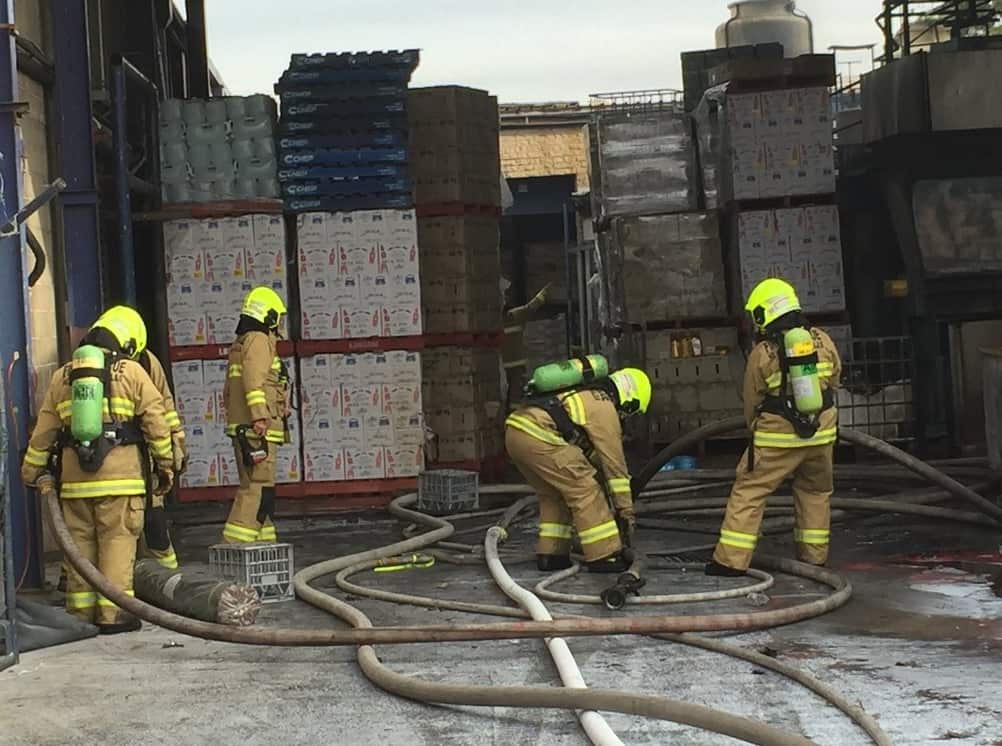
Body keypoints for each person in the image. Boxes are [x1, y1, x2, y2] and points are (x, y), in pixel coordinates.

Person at [21, 309, 174, 634]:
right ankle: (114, 615)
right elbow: (157, 423)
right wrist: (166, 467)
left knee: (80, 548)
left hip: (74, 485)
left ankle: (80, 615)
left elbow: (44, 431)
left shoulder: (64, 376)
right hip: (121, 483)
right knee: (117, 543)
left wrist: (30, 471)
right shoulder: (132, 372)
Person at [707, 278, 842, 577]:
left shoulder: (763, 353)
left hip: (777, 438)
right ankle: (814, 559)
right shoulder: (823, 339)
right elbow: (834, 382)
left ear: (763, 314)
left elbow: (752, 399)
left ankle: (730, 562)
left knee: (750, 491)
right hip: (821, 434)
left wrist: (755, 430)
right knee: (816, 492)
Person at [505, 367, 652, 572]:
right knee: (585, 489)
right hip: (539, 436)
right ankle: (605, 555)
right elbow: (614, 464)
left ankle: (551, 556)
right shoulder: (604, 406)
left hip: (515, 434)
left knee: (554, 494)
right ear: (630, 399)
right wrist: (625, 511)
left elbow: (589, 451)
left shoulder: (583, 394)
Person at [222, 286, 290, 544]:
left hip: (245, 428)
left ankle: (265, 548)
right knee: (257, 490)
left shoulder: (241, 343)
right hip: (257, 430)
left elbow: (229, 391)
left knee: (260, 490)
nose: (280, 324)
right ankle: (236, 547)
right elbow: (254, 380)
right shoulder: (259, 341)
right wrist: (260, 417)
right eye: (278, 317)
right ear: (269, 316)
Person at [502, 281, 552, 412]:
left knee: (510, 397)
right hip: (515, 367)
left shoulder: (497, 321)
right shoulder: (514, 316)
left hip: (503, 368)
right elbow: (531, 307)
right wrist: (545, 293)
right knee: (515, 397)